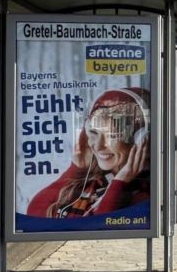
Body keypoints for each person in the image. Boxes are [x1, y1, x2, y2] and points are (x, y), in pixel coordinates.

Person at [26, 88, 150, 218]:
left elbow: (101, 228)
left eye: (112, 136)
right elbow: (35, 212)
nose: (97, 146)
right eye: (94, 133)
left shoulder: (142, 196)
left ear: (140, 139)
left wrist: (120, 183)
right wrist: (76, 170)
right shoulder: (97, 182)